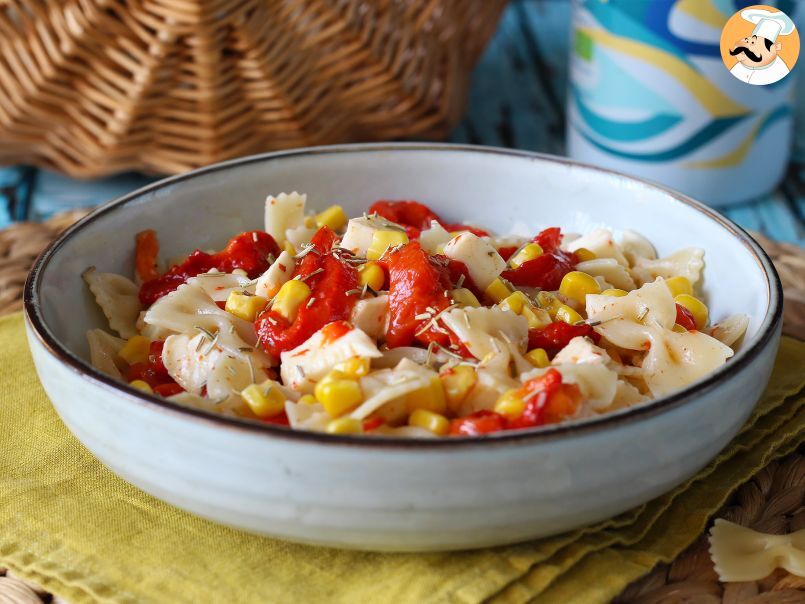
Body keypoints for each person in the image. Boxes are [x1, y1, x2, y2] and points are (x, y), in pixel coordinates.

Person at [729, 8, 796, 85]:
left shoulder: (779, 71)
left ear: (775, 47)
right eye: (747, 40)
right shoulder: (738, 67)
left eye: (753, 43)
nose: (747, 43)